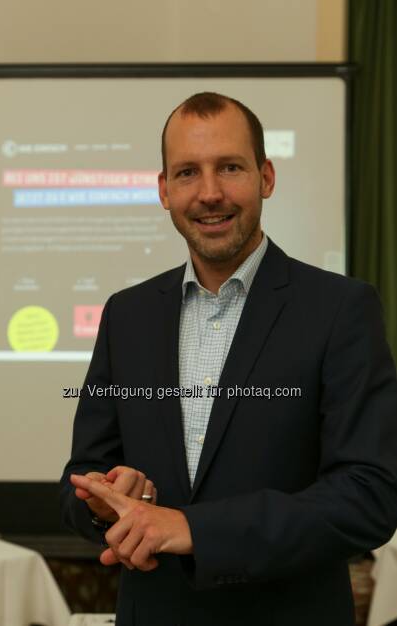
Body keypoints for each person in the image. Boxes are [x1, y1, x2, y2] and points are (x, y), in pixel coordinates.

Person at [60, 92, 397, 626]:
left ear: (265, 177)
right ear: (164, 190)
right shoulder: (127, 315)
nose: (210, 193)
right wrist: (102, 503)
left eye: (231, 168)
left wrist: (195, 530)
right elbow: (82, 475)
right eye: (188, 172)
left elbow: (368, 496)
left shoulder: (341, 309)